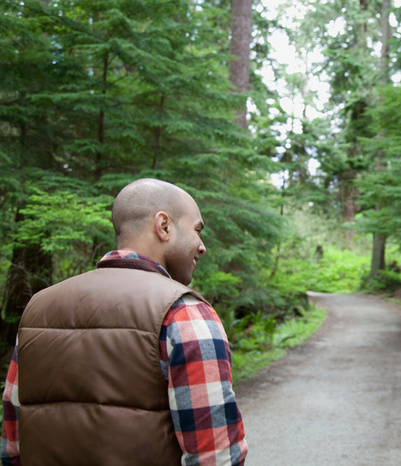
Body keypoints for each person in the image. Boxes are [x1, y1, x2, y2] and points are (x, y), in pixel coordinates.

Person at [1, 179, 247, 465]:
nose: (202, 246)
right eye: (197, 230)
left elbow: (13, 445)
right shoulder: (184, 312)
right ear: (164, 226)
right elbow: (215, 457)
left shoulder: (38, 309)